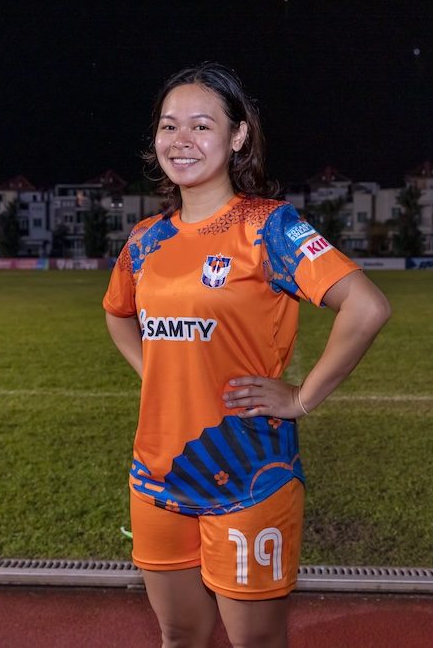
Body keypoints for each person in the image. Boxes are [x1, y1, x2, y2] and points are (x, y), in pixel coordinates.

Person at [103, 62, 390, 648]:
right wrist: (154, 373)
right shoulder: (144, 239)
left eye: (201, 125)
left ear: (237, 136)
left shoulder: (268, 228)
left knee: (254, 643)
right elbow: (117, 313)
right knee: (179, 634)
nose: (181, 140)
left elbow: (366, 306)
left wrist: (301, 398)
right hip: (158, 473)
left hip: (251, 476)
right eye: (169, 126)